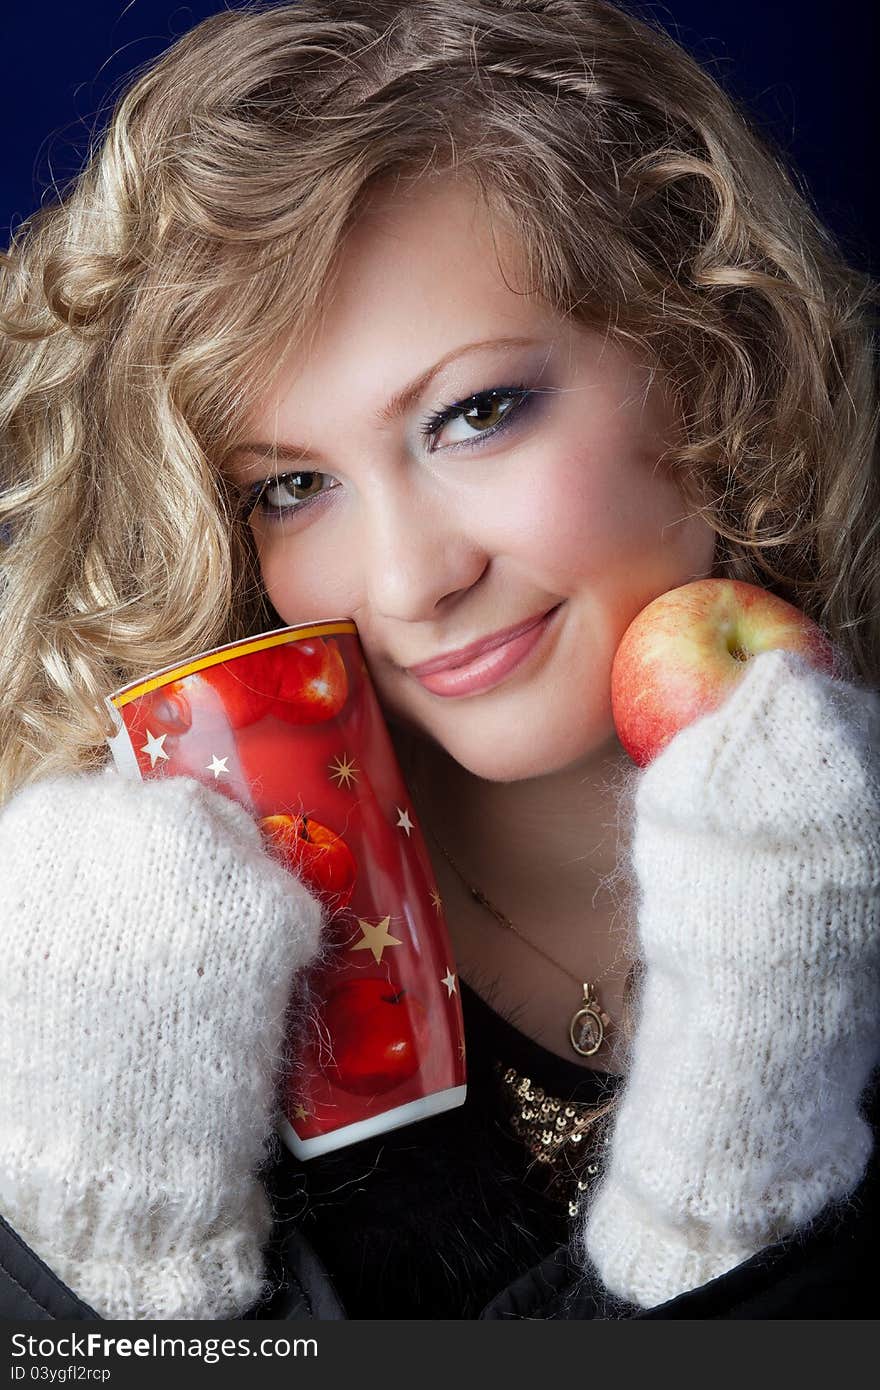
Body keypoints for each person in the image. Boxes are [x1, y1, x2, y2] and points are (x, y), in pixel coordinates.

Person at [1, 0, 878, 1322]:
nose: (413, 580)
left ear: (705, 351)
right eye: (292, 484)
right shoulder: (149, 929)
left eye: (476, 414)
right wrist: (104, 1244)